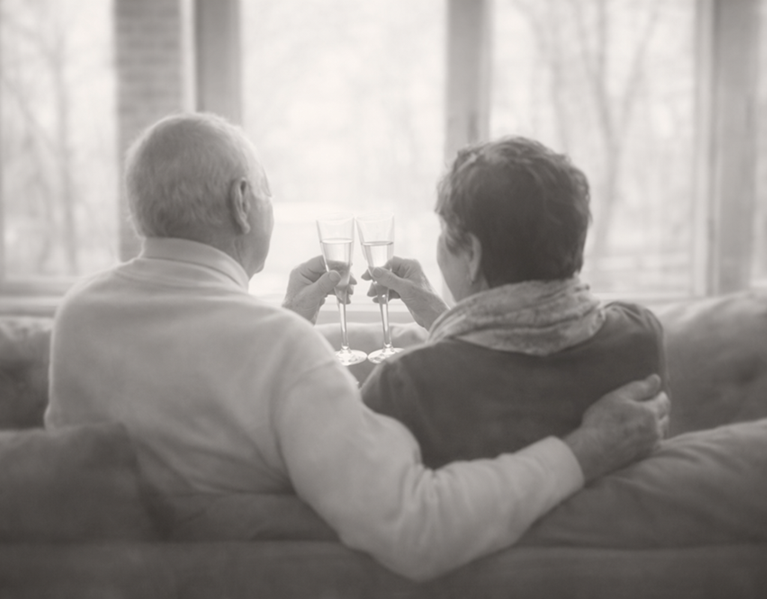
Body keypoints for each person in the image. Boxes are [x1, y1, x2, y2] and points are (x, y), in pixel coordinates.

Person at [45, 113, 670, 582]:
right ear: (242, 203)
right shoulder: (283, 348)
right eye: (264, 191)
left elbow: (190, 380)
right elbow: (415, 526)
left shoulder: (78, 317)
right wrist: (585, 450)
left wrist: (286, 322)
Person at [360, 137, 668, 468]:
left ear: (473, 256)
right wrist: (440, 318)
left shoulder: (406, 386)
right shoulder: (639, 337)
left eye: (444, 230)